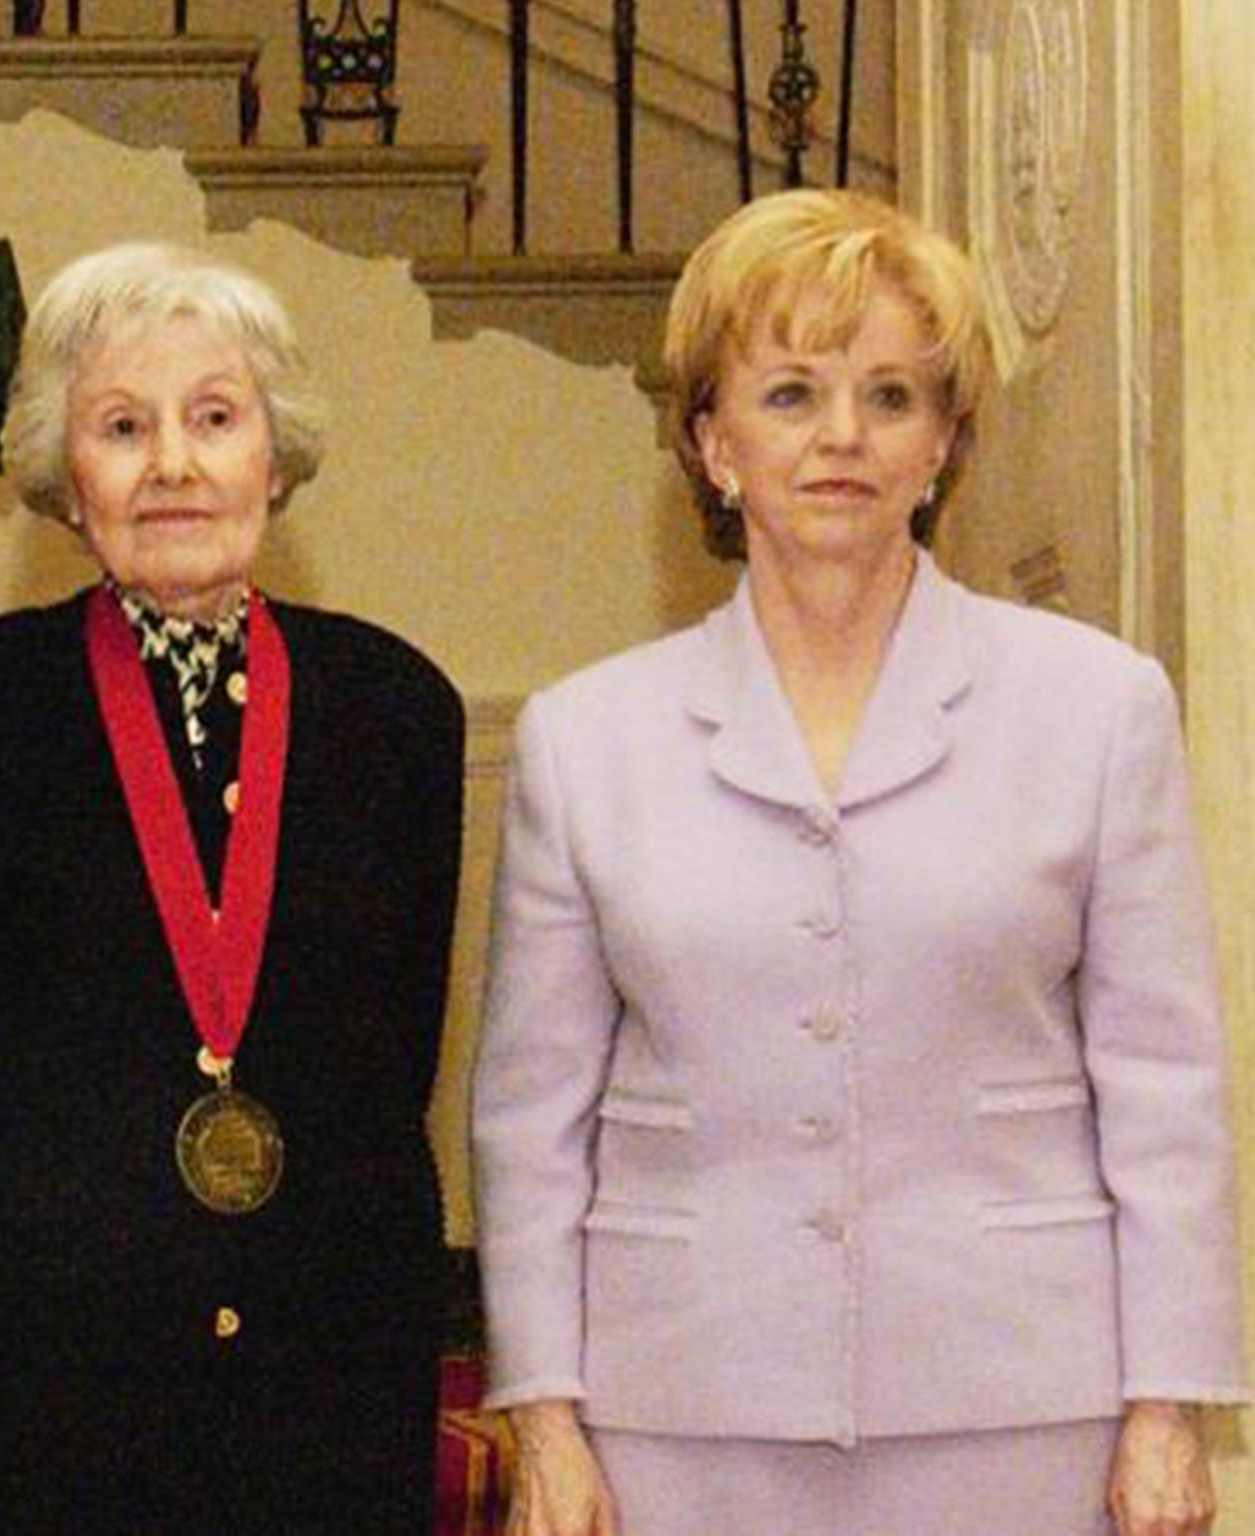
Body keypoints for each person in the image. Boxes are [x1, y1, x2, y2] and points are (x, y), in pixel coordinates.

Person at [471, 188, 1246, 1536]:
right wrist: (543, 1413)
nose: (843, 436)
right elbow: (531, 1121)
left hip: (1021, 1402)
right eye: (791, 394)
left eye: (890, 396)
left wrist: (1169, 1404)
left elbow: (1164, 1085)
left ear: (943, 445)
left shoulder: (1099, 708)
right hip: (682, 1406)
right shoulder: (584, 739)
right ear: (713, 444)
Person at [0, 241, 464, 1534]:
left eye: (214, 417)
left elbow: (393, 1056)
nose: (175, 466)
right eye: (124, 427)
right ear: (63, 474)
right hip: (47, 1393)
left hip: (328, 1379)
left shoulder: (397, 711)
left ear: (275, 452)